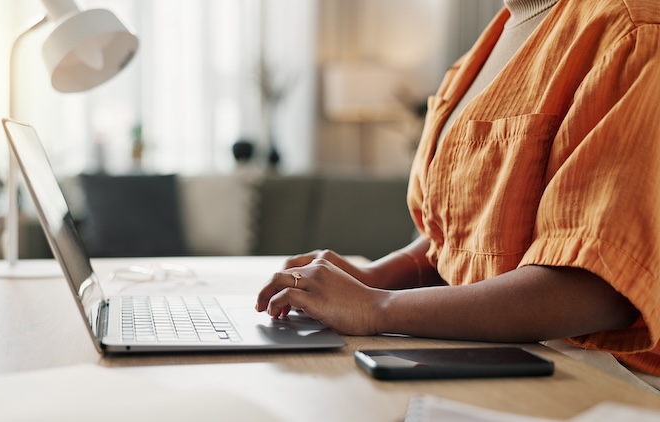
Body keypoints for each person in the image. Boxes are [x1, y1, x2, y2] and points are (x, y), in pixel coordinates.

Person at [255, 0, 660, 388]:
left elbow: (593, 291)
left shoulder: (632, 30)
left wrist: (376, 306)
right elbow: (457, 239)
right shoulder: (495, 38)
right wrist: (376, 278)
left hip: (608, 381)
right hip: (496, 355)